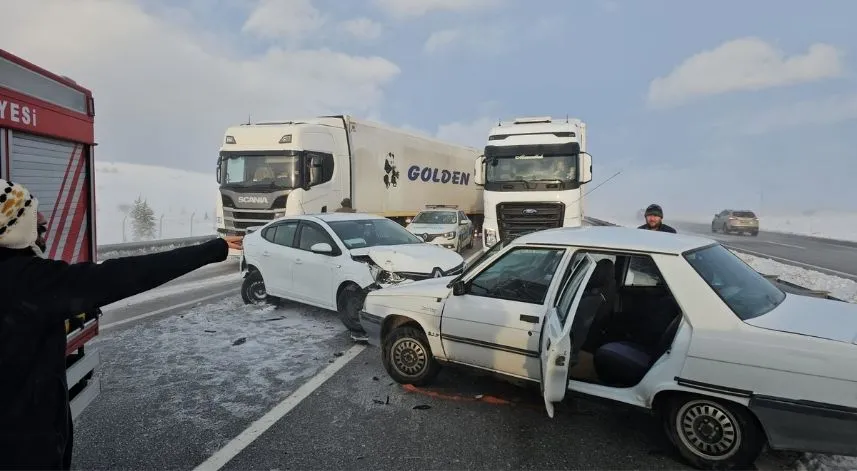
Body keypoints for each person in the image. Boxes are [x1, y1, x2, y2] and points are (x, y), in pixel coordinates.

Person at [0, 179, 243, 470]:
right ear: (16, 230)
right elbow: (129, 275)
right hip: (22, 450)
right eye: (38, 227)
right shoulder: (26, 280)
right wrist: (212, 249)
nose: (44, 233)